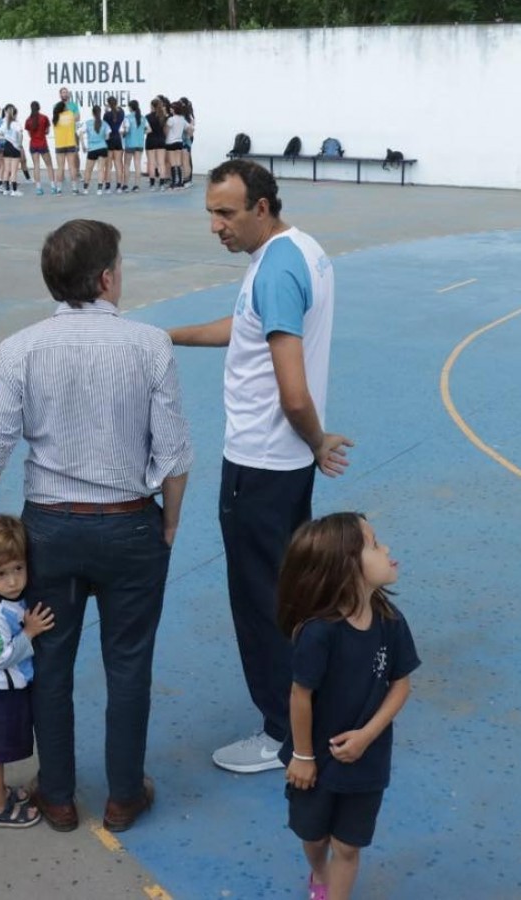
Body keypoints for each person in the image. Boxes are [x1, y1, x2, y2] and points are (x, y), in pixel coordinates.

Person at [0, 219, 193, 834]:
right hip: (128, 527)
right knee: (128, 664)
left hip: (51, 533)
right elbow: (173, 454)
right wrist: (167, 525)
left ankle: (57, 795)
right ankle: (122, 796)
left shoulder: (20, 348)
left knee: (51, 660)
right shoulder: (149, 345)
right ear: (108, 277)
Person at [168, 159, 353, 775]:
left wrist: (318, 440)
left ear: (263, 207)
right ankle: (302, 704)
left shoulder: (274, 271)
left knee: (260, 602)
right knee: (289, 590)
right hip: (284, 465)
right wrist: (169, 335)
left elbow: (292, 392)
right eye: (210, 214)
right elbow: (244, 329)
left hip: (261, 465)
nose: (216, 227)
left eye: (226, 213)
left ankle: (282, 732)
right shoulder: (299, 252)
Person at [278, 513, 419, 900]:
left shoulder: (390, 620)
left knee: (348, 846)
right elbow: (300, 695)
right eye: (374, 544)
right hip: (317, 758)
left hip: (366, 760)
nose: (386, 548)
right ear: (346, 567)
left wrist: (367, 736)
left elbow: (401, 685)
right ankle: (319, 874)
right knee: (313, 835)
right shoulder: (319, 633)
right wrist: (304, 756)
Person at [0, 514, 56, 828]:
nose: (13, 581)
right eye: (1, 573)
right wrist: (29, 633)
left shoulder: (13, 597)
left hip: (10, 691)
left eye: (18, 569)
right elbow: (0, 656)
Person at [24, 100, 55, 196]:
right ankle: (53, 187)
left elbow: (29, 134)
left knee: (36, 165)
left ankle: (38, 188)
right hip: (42, 144)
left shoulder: (28, 120)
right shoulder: (44, 118)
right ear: (39, 107)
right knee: (49, 165)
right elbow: (47, 132)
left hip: (33, 144)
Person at [51, 97, 81, 195]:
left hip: (59, 145)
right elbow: (78, 116)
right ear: (64, 108)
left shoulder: (55, 118)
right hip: (70, 144)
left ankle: (59, 190)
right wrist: (70, 108)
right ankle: (74, 189)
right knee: (72, 167)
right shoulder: (70, 115)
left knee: (60, 167)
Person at [81, 103, 109, 195]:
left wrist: (83, 146)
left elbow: (80, 133)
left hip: (92, 149)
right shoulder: (105, 123)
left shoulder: (88, 123)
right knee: (101, 169)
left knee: (88, 169)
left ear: (92, 113)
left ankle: (85, 189)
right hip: (102, 148)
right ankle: (99, 189)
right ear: (100, 113)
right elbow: (107, 137)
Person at [0, 103, 24, 196]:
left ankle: (6, 190)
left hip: (7, 147)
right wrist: (19, 144)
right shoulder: (16, 124)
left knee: (6, 170)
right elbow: (20, 134)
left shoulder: (5, 124)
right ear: (15, 114)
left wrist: (5, 137)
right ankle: (14, 191)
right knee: (14, 171)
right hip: (15, 148)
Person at [102, 95, 125, 194]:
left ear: (108, 104)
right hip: (117, 139)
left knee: (108, 165)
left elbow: (104, 126)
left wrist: (106, 110)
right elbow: (119, 110)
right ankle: (119, 186)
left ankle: (107, 187)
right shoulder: (121, 113)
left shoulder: (107, 115)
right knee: (118, 163)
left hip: (109, 139)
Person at [144, 97, 167, 191]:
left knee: (152, 163)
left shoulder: (148, 117)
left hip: (151, 140)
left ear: (152, 106)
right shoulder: (164, 117)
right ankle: (162, 184)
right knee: (161, 163)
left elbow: (147, 130)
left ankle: (152, 184)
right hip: (161, 140)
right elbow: (165, 130)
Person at [123, 100, 145, 193]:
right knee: (137, 164)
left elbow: (126, 130)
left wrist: (123, 134)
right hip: (139, 143)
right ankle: (137, 186)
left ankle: (126, 185)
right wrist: (140, 133)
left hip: (130, 143)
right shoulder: (143, 118)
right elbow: (149, 130)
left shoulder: (127, 118)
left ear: (130, 107)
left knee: (127, 165)